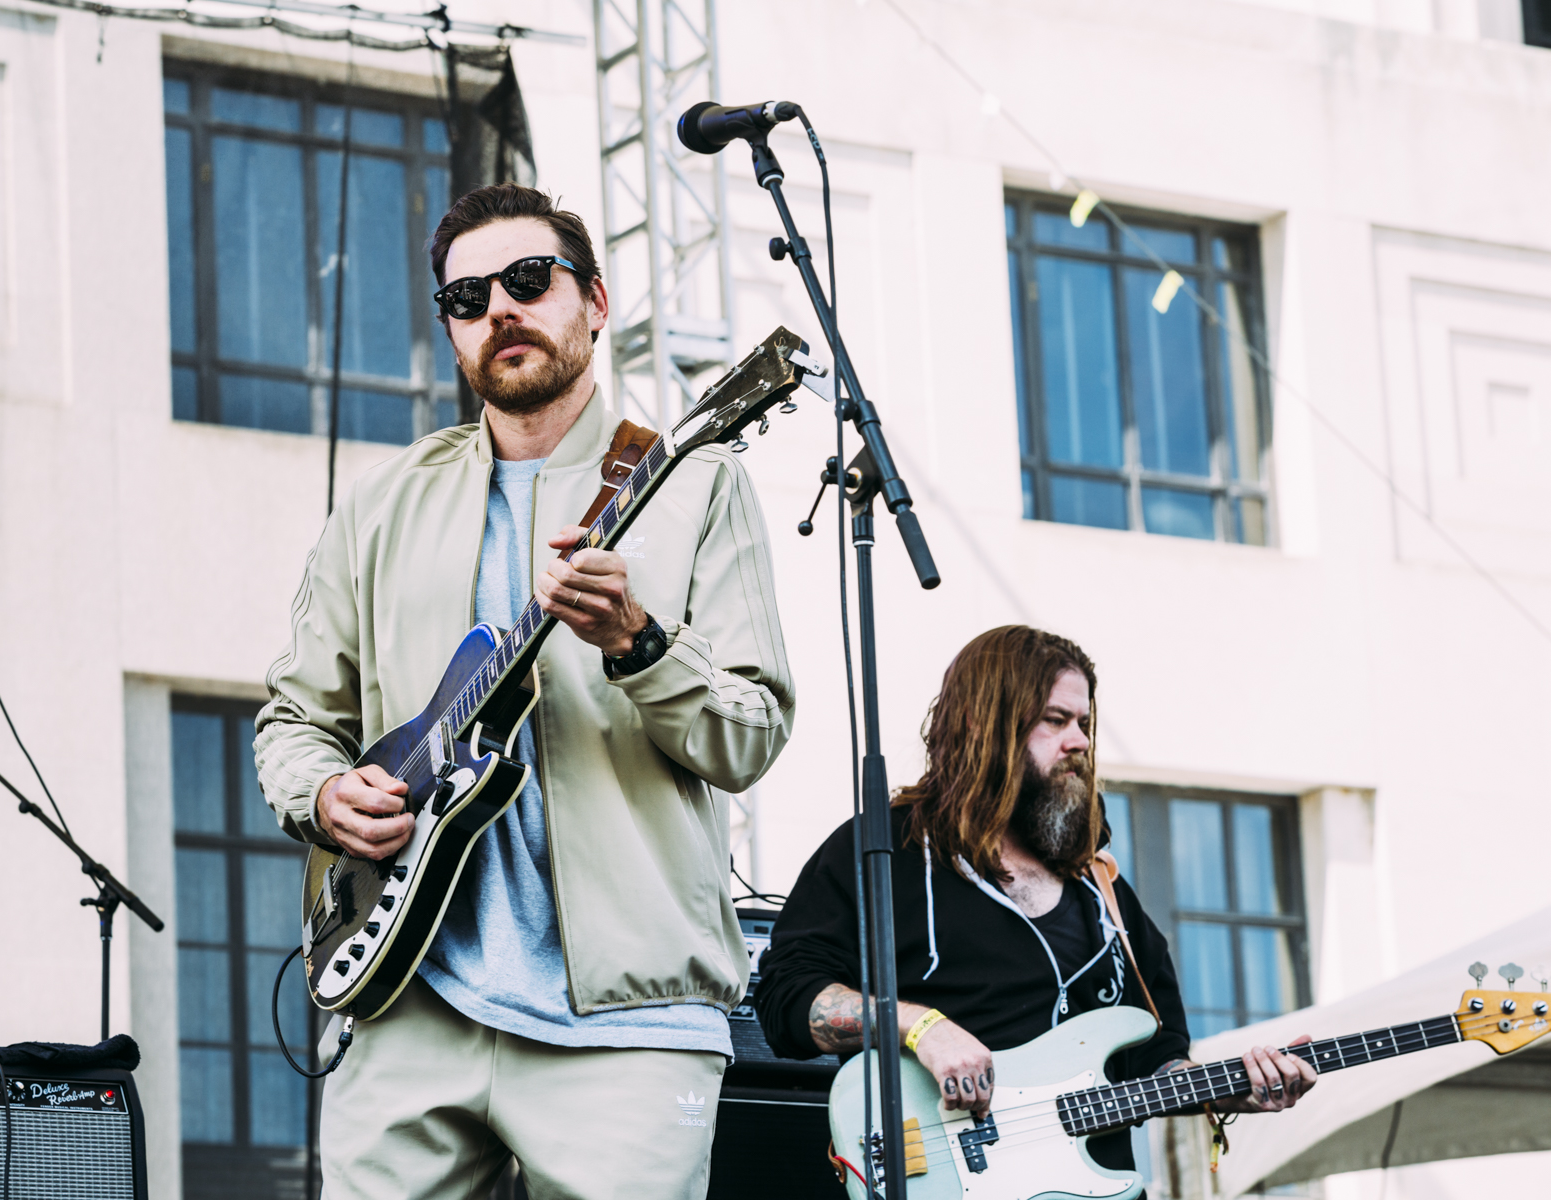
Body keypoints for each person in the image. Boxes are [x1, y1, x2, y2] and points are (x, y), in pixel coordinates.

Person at [254, 183, 794, 1200]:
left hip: (628, 1026)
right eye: (467, 298)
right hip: (408, 997)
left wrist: (637, 643)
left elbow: (752, 733)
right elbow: (295, 719)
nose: (499, 308)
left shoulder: (694, 483)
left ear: (595, 301)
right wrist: (324, 795)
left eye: (529, 280)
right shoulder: (380, 506)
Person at [755, 625, 1313, 1183]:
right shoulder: (884, 852)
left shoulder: (1102, 892)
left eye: (1084, 723)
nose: (1080, 742)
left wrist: (1225, 1089)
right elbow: (786, 997)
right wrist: (923, 1028)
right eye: (1055, 720)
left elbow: (1155, 1056)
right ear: (981, 723)